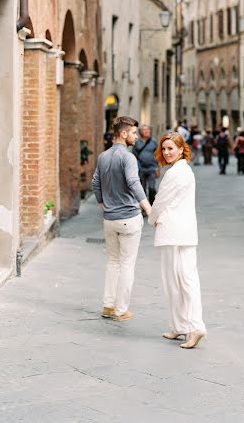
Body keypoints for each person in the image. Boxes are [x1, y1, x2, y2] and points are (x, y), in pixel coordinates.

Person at [149, 132, 207, 349]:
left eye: (171, 148)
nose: (166, 152)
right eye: (164, 149)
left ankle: (193, 326)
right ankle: (181, 325)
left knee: (176, 282)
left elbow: (160, 200)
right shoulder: (186, 171)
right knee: (185, 278)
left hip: (171, 231)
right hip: (186, 232)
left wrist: (152, 219)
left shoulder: (175, 173)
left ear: (182, 149)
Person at [92, 116, 151, 322]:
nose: (136, 136)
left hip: (109, 219)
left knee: (113, 262)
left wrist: (103, 203)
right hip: (128, 218)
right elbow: (134, 182)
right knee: (127, 264)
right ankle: (120, 310)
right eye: (134, 133)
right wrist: (148, 208)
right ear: (123, 134)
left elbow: (95, 182)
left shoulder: (103, 156)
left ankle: (108, 306)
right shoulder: (128, 157)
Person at [132, 124, 160, 205]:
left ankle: (152, 207)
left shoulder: (153, 142)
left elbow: (158, 156)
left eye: (147, 130)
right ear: (140, 132)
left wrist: (157, 168)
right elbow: (134, 156)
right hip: (141, 169)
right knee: (142, 190)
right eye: (144, 130)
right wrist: (137, 168)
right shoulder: (137, 142)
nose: (146, 131)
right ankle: (144, 209)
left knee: (152, 189)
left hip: (152, 169)